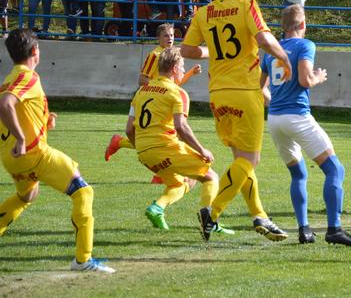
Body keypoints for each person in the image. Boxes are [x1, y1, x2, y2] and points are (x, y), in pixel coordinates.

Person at [181, 0, 293, 241]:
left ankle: (260, 217)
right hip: (244, 90)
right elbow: (263, 38)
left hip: (218, 93)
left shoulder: (204, 13)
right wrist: (284, 56)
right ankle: (212, 212)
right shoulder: (246, 5)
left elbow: (185, 49)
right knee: (250, 160)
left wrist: (211, 52)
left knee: (241, 160)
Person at [0, 29, 115, 273]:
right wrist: (22, 138)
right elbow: (6, 105)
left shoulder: (10, 78)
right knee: (83, 191)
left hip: (13, 160)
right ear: (35, 51)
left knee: (26, 197)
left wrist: (42, 120)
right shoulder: (27, 77)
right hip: (34, 155)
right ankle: (83, 260)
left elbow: (14, 109)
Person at [260, 4, 351, 246]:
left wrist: (275, 103)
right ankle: (334, 229)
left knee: (298, 174)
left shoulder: (270, 52)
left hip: (275, 119)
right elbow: (306, 80)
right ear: (303, 25)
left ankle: (304, 230)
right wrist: (319, 77)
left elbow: (260, 88)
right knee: (335, 170)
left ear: (282, 26)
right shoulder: (305, 45)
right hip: (297, 115)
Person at [124, 46, 233, 238]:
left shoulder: (141, 91)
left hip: (144, 153)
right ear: (174, 68)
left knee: (181, 183)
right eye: (182, 67)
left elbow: (129, 129)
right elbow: (181, 127)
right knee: (211, 176)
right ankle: (210, 221)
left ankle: (157, 208)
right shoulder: (177, 92)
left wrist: (139, 147)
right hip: (165, 148)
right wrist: (202, 150)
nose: (183, 71)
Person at [105, 23, 201, 165]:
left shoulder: (173, 55)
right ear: (158, 38)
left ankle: (120, 143)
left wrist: (190, 73)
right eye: (166, 35)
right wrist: (157, 90)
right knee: (158, 137)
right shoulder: (155, 55)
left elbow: (174, 85)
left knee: (163, 137)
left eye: (172, 35)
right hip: (149, 99)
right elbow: (142, 79)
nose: (170, 38)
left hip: (162, 99)